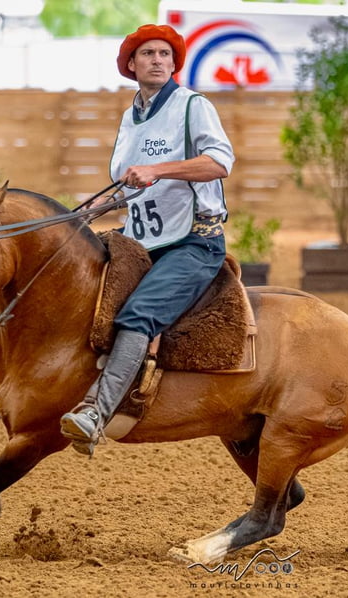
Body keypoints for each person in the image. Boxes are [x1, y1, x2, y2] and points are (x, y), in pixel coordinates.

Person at [60, 24, 235, 454]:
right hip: (142, 240)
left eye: (165, 54)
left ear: (174, 64)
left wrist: (160, 169)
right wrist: (97, 208)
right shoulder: (129, 117)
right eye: (148, 54)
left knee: (137, 316)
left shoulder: (192, 105)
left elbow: (219, 162)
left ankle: (96, 413)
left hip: (192, 243)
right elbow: (130, 184)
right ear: (131, 65)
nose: (158, 60)